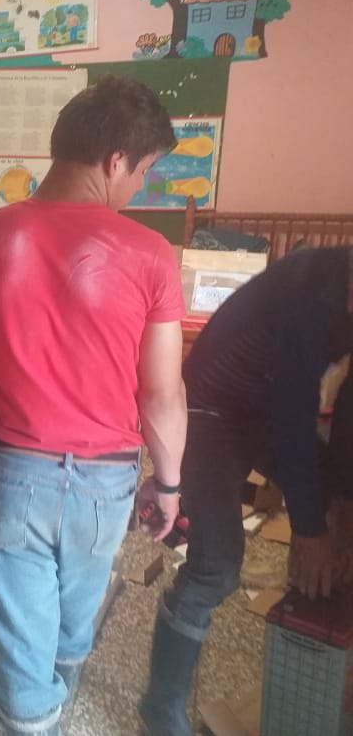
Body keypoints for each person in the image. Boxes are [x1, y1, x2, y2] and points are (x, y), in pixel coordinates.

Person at [0, 75, 189, 736]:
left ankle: (27, 707)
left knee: (18, 617)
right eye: (144, 172)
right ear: (114, 162)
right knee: (81, 592)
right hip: (107, 480)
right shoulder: (152, 255)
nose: (139, 188)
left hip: (11, 470)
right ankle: (62, 678)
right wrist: (167, 485)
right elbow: (162, 395)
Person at [138, 245, 353, 736]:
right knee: (216, 565)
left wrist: (340, 503)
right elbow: (296, 416)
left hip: (260, 413)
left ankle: (310, 627)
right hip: (208, 413)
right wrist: (311, 528)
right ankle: (160, 707)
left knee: (333, 502)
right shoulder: (314, 294)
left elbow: (345, 410)